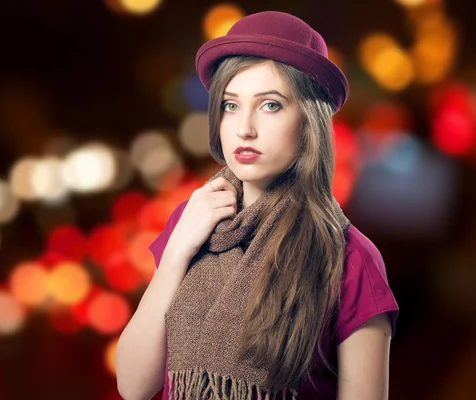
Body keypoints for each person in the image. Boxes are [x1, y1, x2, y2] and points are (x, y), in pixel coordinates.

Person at [115, 11, 399, 400]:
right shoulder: (191, 221)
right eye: (231, 105)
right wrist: (178, 251)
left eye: (270, 106)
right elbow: (133, 387)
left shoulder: (350, 257)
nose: (244, 127)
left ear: (309, 121)